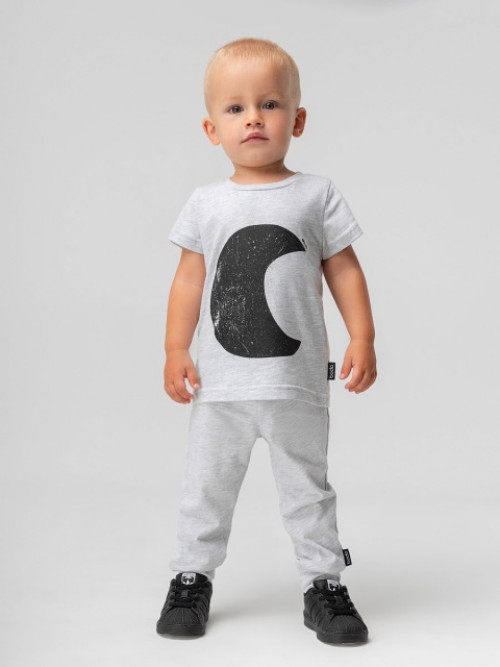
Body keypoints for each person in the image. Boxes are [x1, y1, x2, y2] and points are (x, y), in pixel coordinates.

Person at [156, 37, 377, 645]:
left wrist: (362, 334)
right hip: (220, 389)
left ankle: (324, 585)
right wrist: (176, 348)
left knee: (309, 491)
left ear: (297, 120)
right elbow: (188, 281)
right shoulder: (206, 202)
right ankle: (191, 578)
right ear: (212, 129)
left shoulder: (316, 195)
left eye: (270, 104)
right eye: (236, 108)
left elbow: (344, 270)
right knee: (206, 489)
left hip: (296, 386)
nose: (253, 118)